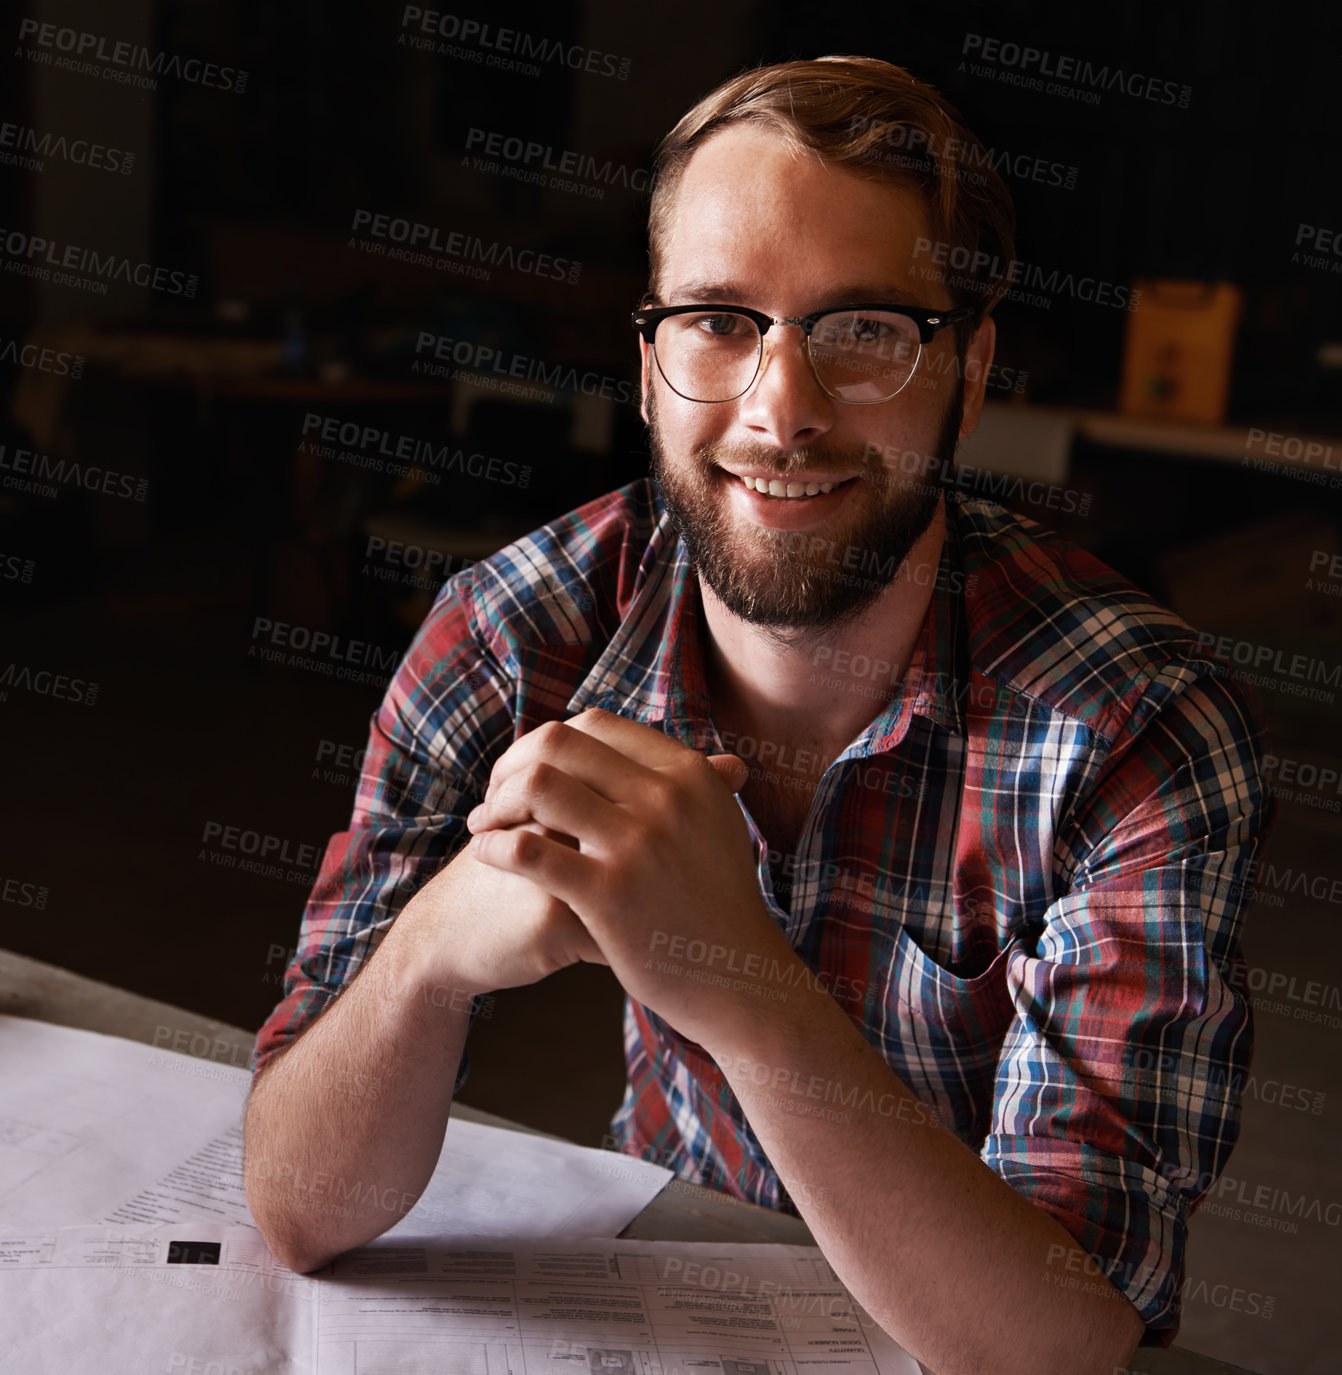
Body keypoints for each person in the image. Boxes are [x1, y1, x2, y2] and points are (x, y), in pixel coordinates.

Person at [244, 55, 1270, 1373]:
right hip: (669, 1313)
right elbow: (299, 1209)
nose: (779, 412)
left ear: (967, 370)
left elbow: (1055, 1348)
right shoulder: (508, 633)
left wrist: (735, 984)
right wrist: (432, 951)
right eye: (720, 321)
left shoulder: (1135, 729)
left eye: (861, 331)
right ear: (649, 357)